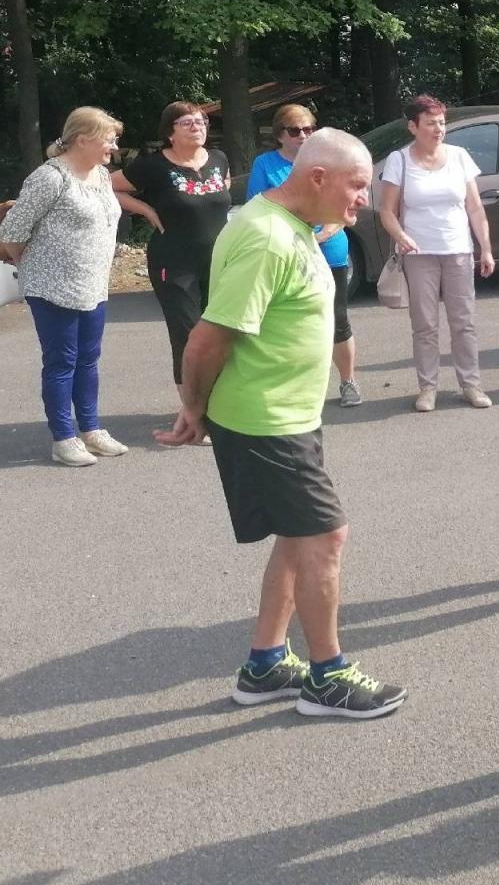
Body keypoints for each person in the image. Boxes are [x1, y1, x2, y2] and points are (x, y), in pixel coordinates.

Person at [156, 128, 405, 719]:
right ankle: (328, 677)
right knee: (324, 536)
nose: (362, 201)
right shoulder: (266, 237)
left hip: (289, 413)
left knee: (300, 535)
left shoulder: (289, 224)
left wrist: (326, 228)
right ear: (316, 177)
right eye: (356, 186)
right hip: (265, 419)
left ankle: (266, 664)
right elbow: (206, 339)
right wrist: (193, 407)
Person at [0, 107, 128, 467]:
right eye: (109, 138)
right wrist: (31, 267)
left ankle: (90, 430)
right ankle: (64, 439)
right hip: (52, 286)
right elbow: (12, 231)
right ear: (83, 139)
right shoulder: (49, 177)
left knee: (89, 359)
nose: (114, 146)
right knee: (62, 362)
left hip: (93, 283)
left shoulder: (101, 175)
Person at [377, 94, 495, 412]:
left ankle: (471, 385)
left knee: (464, 322)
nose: (438, 129)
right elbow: (386, 211)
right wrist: (401, 237)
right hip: (419, 253)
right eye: (431, 123)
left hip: (458, 249)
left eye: (441, 122)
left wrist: (486, 248)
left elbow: (474, 208)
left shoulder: (459, 157)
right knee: (425, 324)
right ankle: (427, 388)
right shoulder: (399, 161)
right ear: (413, 126)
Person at [246, 104, 362, 408]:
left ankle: (348, 381)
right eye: (295, 130)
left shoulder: (331, 161)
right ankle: (290, 386)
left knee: (338, 320)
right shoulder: (266, 164)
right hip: (287, 253)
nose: (303, 135)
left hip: (330, 251)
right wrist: (302, 232)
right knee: (285, 322)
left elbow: (349, 205)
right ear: (279, 134)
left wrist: (323, 232)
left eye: (309, 129)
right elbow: (257, 205)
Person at [111, 101, 231, 395]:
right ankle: (193, 411)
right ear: (170, 132)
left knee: (219, 333)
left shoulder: (218, 159)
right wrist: (145, 210)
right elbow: (106, 185)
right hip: (174, 263)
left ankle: (220, 403)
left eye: (201, 121)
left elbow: (223, 189)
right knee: (188, 335)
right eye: (187, 122)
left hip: (218, 261)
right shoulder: (154, 165)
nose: (197, 127)